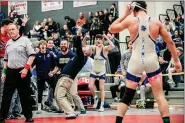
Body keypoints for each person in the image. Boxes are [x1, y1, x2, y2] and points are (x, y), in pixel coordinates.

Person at [108, 1, 182, 123]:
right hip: (151, 60)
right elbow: (170, 42)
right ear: (145, 9)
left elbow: (111, 29)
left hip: (135, 61)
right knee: (159, 96)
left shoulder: (130, 21)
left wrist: (125, 14)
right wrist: (176, 60)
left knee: (127, 96)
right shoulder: (156, 22)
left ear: (133, 9)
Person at [0, 23, 35, 123]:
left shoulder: (25, 40)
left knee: (25, 96)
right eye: (9, 30)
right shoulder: (8, 43)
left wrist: (26, 69)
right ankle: (2, 117)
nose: (11, 31)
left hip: (22, 71)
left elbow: (32, 56)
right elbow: (6, 60)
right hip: (10, 72)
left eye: (13, 29)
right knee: (6, 96)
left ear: (17, 29)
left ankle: (28, 116)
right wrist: (4, 72)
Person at [51, 29, 89, 119]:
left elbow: (79, 46)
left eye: (85, 49)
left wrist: (79, 36)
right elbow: (80, 47)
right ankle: (70, 110)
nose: (84, 48)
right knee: (57, 96)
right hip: (63, 77)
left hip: (66, 78)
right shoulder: (77, 57)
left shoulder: (80, 57)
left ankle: (70, 112)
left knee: (62, 96)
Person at [87, 34, 115, 112]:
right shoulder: (94, 47)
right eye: (97, 39)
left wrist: (106, 38)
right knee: (90, 86)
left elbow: (113, 46)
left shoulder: (105, 48)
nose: (98, 40)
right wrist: (84, 40)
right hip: (94, 70)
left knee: (101, 88)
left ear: (102, 40)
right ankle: (95, 98)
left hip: (102, 70)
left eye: (99, 39)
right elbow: (84, 47)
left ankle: (102, 105)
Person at [31, 40, 57, 114]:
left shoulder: (50, 54)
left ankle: (53, 103)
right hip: (40, 76)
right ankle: (39, 108)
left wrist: (52, 71)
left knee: (55, 86)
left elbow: (54, 64)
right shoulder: (36, 56)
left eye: (44, 44)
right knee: (40, 91)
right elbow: (32, 65)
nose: (42, 45)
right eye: (41, 44)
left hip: (49, 75)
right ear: (39, 46)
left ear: (46, 46)